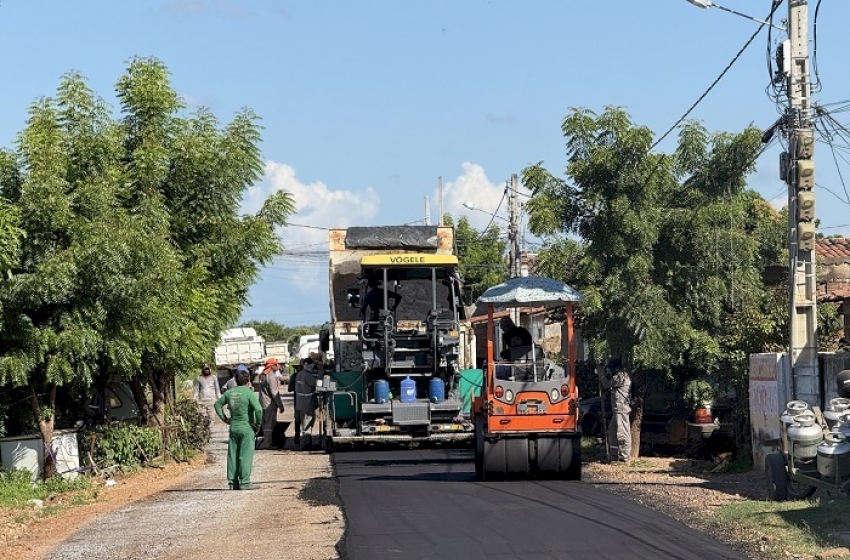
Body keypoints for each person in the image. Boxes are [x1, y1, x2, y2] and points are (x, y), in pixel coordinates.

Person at [213, 369, 262, 490]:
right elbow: (258, 409)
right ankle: (245, 483)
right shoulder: (249, 393)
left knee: (233, 455)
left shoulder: (229, 393)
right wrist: (258, 424)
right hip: (247, 427)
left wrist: (225, 419)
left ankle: (232, 483)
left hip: (234, 427)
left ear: (235, 380)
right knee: (245, 455)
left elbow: (217, 404)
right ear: (248, 380)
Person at [598, 358, 632, 462]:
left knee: (622, 433)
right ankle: (613, 455)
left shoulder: (620, 376)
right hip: (618, 410)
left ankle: (624, 457)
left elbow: (606, 384)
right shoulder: (622, 375)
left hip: (621, 410)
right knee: (612, 432)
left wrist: (600, 372)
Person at [257, 357, 286, 450]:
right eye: (276, 364)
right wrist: (280, 405)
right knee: (269, 424)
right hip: (269, 404)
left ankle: (267, 441)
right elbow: (274, 393)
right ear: (272, 366)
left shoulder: (262, 375)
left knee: (265, 423)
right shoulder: (271, 376)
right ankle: (267, 443)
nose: (278, 366)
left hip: (262, 402)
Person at [293, 353, 320, 447]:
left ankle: (305, 442)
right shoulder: (308, 376)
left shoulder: (299, 374)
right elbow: (317, 384)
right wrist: (321, 371)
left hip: (300, 403)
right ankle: (306, 443)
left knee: (304, 422)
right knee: (308, 422)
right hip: (307, 403)